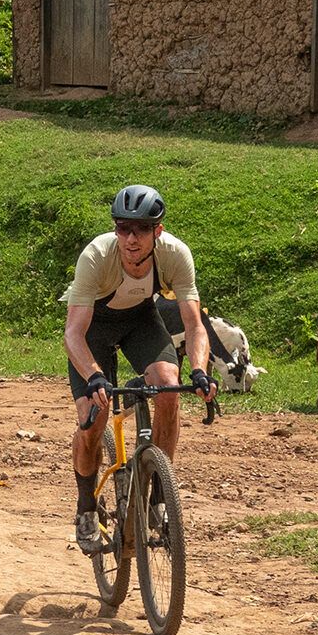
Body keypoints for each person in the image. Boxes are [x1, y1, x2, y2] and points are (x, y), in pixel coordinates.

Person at [64, 185, 217, 554]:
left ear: (157, 231)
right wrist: (94, 375)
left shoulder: (176, 256)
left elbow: (195, 325)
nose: (131, 239)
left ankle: (157, 496)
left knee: (168, 386)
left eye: (141, 230)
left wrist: (199, 370)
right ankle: (86, 506)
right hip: (94, 329)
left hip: (140, 322)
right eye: (122, 228)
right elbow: (73, 332)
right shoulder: (97, 256)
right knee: (93, 420)